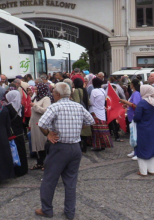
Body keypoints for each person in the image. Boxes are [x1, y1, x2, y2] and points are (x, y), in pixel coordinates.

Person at [35, 82, 95, 219]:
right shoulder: (78, 106)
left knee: (49, 180)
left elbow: (42, 123)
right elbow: (91, 121)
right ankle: (69, 212)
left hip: (59, 147)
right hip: (75, 147)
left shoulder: (55, 107)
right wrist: (78, 127)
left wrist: (48, 134)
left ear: (57, 94)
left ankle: (47, 209)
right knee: (71, 182)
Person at [133, 85, 154, 176]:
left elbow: (137, 117)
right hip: (153, 128)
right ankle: (152, 170)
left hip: (143, 129)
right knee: (152, 148)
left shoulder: (142, 103)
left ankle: (143, 171)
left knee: (142, 149)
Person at [30, 83, 53, 170]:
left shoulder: (46, 98)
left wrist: (35, 106)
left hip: (41, 124)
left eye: (36, 89)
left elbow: (46, 110)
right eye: (35, 89)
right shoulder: (36, 98)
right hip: (35, 124)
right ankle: (39, 162)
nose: (35, 91)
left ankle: (46, 163)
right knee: (36, 143)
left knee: (42, 143)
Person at [6, 90, 28, 177]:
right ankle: (23, 169)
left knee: (13, 150)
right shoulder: (21, 107)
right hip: (20, 131)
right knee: (21, 150)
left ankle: (15, 170)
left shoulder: (8, 108)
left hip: (12, 132)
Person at [120, 79, 142, 161]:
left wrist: (125, 102)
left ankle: (137, 152)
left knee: (135, 135)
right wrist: (127, 105)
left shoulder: (136, 93)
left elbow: (135, 105)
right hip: (131, 116)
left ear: (132, 85)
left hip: (134, 116)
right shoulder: (134, 93)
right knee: (133, 135)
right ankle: (135, 150)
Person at [89, 77, 113, 151]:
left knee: (96, 130)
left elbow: (91, 102)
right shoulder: (103, 90)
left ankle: (97, 145)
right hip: (102, 111)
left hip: (95, 111)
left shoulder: (94, 91)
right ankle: (104, 144)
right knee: (103, 129)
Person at [71, 78, 91, 153]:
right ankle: (84, 149)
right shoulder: (85, 90)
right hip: (85, 111)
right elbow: (88, 102)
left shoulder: (76, 90)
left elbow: (77, 102)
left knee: (79, 131)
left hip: (78, 113)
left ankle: (79, 149)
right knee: (85, 132)